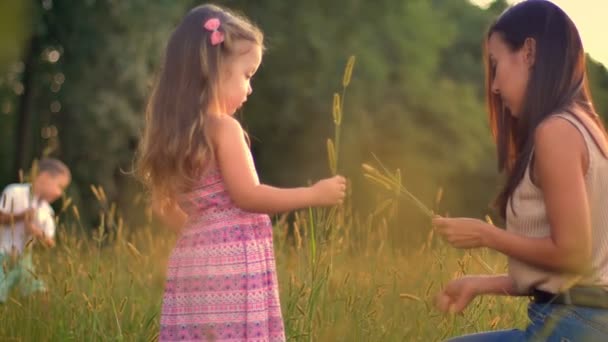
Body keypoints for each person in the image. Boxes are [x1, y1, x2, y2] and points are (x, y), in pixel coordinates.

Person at [136, 4, 346, 341]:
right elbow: (248, 195)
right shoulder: (224, 129)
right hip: (233, 268)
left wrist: (201, 234)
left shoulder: (173, 134)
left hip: (192, 265)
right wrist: (313, 194)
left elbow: (162, 207)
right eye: (247, 75)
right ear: (214, 70)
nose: (250, 89)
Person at [433, 1, 608, 340]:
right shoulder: (589, 128)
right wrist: (483, 284)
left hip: (570, 328)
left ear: (528, 52)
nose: (494, 86)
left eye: (496, 65)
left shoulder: (555, 131)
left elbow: (573, 253)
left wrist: (486, 235)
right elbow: (578, 274)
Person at [0, 158, 70, 303]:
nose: (59, 193)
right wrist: (21, 216)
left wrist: (35, 231)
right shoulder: (15, 192)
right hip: (3, 255)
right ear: (44, 177)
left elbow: (50, 242)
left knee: (40, 296)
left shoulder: (47, 211)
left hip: (25, 260)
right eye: (59, 186)